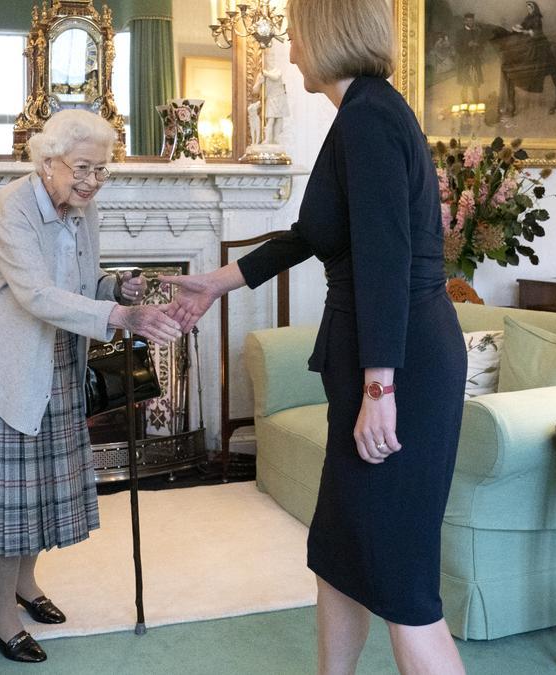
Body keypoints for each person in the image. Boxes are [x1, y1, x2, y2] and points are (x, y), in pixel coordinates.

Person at [162, 0, 467, 672]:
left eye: (296, 34)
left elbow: (386, 261)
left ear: (327, 33)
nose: (291, 49)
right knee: (339, 551)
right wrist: (220, 281)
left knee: (401, 581)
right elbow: (313, 234)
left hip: (402, 368)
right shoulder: (359, 115)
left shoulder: (369, 119)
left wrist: (380, 386)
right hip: (379, 358)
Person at [0, 109, 182, 663]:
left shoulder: (83, 211)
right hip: (10, 367)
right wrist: (120, 318)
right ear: (48, 161)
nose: (91, 181)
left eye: (101, 171)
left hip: (59, 360)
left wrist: (119, 287)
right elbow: (34, 294)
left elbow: (81, 283)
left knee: (41, 489)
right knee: (10, 500)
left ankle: (24, 586)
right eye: (82, 168)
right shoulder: (10, 209)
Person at [251, 48, 290, 146]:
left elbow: (276, 77)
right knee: (271, 120)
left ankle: (276, 139)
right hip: (271, 98)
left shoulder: (277, 71)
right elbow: (255, 91)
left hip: (280, 97)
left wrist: (266, 74)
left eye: (272, 58)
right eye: (269, 58)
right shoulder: (262, 74)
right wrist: (259, 83)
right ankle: (268, 139)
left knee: (279, 120)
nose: (271, 60)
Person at [455, 12, 485, 103]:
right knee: (465, 84)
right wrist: (468, 45)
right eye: (468, 20)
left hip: (475, 61)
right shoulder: (460, 33)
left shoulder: (477, 32)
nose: (470, 22)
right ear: (464, 21)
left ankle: (476, 103)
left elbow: (482, 47)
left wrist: (478, 46)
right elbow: (457, 48)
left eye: (472, 20)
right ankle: (464, 104)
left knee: (475, 84)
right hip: (464, 62)